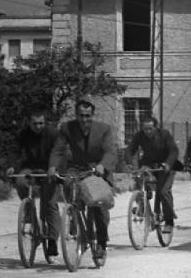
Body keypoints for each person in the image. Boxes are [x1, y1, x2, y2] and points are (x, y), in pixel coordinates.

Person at [47, 99, 117, 259]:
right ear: (76, 115)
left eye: (87, 116)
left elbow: (110, 151)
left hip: (97, 169)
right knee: (68, 184)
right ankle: (75, 216)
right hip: (77, 167)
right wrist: (52, 167)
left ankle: (101, 243)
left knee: (98, 205)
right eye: (81, 115)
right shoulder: (67, 128)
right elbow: (58, 150)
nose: (84, 119)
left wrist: (102, 166)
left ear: (92, 115)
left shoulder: (104, 129)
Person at [6, 109, 60, 257]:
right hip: (30, 167)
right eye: (35, 123)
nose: (38, 126)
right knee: (20, 182)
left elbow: (59, 152)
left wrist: (53, 168)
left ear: (45, 122)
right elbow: (15, 151)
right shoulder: (23, 134)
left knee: (50, 204)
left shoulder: (53, 134)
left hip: (49, 168)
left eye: (41, 123)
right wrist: (11, 165)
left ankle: (53, 240)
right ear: (29, 123)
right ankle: (29, 212)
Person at [124, 115, 180, 233]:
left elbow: (174, 150)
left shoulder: (165, 134)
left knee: (163, 192)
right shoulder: (139, 136)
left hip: (165, 166)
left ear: (155, 127)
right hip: (148, 164)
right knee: (139, 181)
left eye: (150, 129)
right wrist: (130, 164)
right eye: (145, 129)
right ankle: (142, 207)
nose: (147, 132)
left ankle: (169, 221)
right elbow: (130, 150)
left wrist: (168, 164)